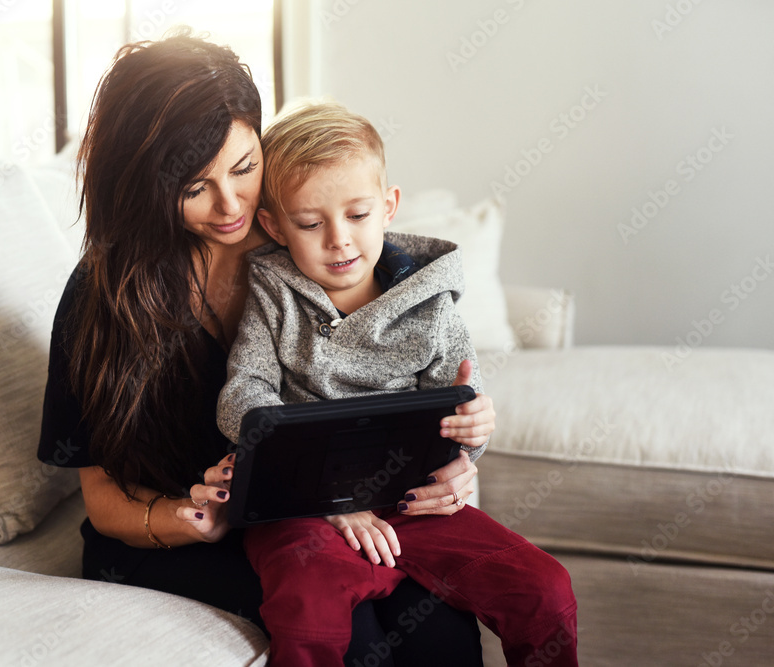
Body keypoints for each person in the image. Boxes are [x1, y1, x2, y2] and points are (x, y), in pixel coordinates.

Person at [36, 31, 495, 665]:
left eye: (245, 167)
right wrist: (183, 519)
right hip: (186, 539)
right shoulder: (102, 298)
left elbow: (401, 402)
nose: (232, 205)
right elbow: (102, 496)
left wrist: (452, 465)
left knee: (441, 625)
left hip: (320, 519)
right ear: (142, 185)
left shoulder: (308, 251)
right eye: (195, 187)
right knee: (351, 630)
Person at [214, 102, 578, 667]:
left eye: (358, 215)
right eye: (310, 224)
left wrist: (474, 430)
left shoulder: (432, 304)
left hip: (413, 505)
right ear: (275, 227)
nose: (339, 240)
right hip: (303, 506)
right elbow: (244, 394)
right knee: (308, 609)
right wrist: (318, 490)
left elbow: (462, 420)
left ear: (388, 208)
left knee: (545, 589)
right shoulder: (272, 292)